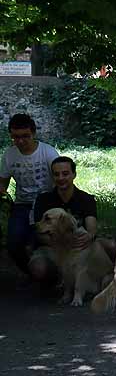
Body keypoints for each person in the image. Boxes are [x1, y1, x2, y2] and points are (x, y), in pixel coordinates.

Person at [29, 156, 112, 281]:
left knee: (112, 246)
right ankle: (58, 282)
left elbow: (92, 229)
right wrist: (64, 243)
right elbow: (39, 233)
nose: (61, 178)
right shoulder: (43, 200)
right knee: (38, 268)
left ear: (74, 174)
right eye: (56, 174)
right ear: (52, 177)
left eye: (65, 173)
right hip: (52, 246)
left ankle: (115, 278)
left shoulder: (86, 199)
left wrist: (89, 236)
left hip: (80, 245)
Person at [1, 113, 59, 273]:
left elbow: (62, 180)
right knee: (13, 243)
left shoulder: (48, 152)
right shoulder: (9, 154)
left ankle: (52, 274)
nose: (20, 141)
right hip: (21, 204)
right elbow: (2, 184)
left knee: (40, 240)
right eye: (15, 137)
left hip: (47, 202)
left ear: (33, 133)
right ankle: (30, 274)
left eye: (25, 136)